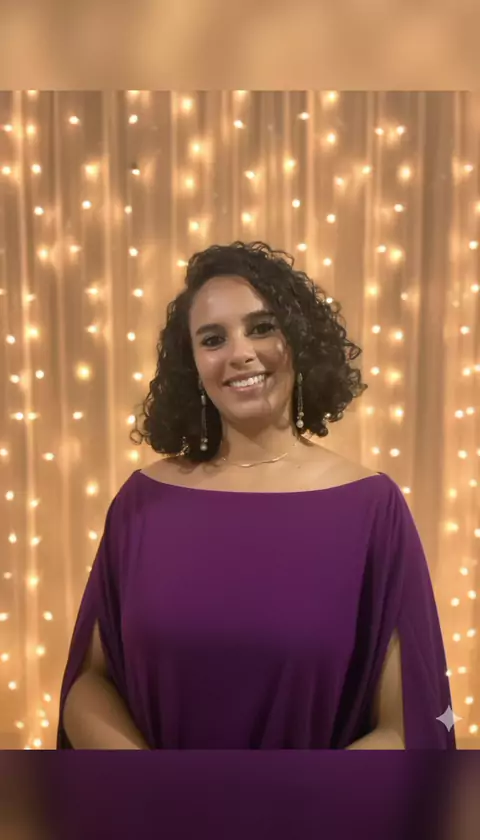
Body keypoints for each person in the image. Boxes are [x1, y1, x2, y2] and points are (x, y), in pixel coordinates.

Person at [57, 240, 455, 751]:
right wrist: (154, 784)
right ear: (193, 365)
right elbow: (89, 682)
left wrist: (285, 796)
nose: (240, 353)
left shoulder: (372, 508)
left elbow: (407, 723)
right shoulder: (141, 504)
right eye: (213, 339)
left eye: (262, 327)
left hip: (316, 805)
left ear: (300, 340)